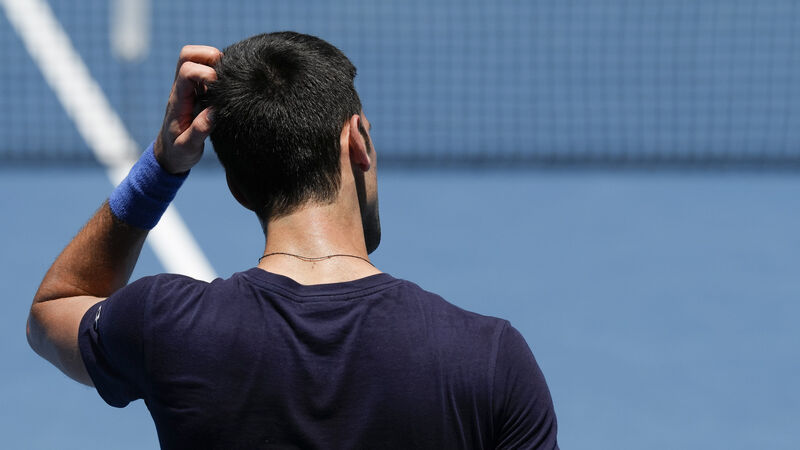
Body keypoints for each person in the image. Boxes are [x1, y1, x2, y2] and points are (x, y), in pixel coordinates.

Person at [26, 31, 558, 449]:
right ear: (358, 141)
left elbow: (52, 310)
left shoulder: (166, 325)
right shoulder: (489, 359)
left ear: (238, 189)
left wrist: (163, 168)